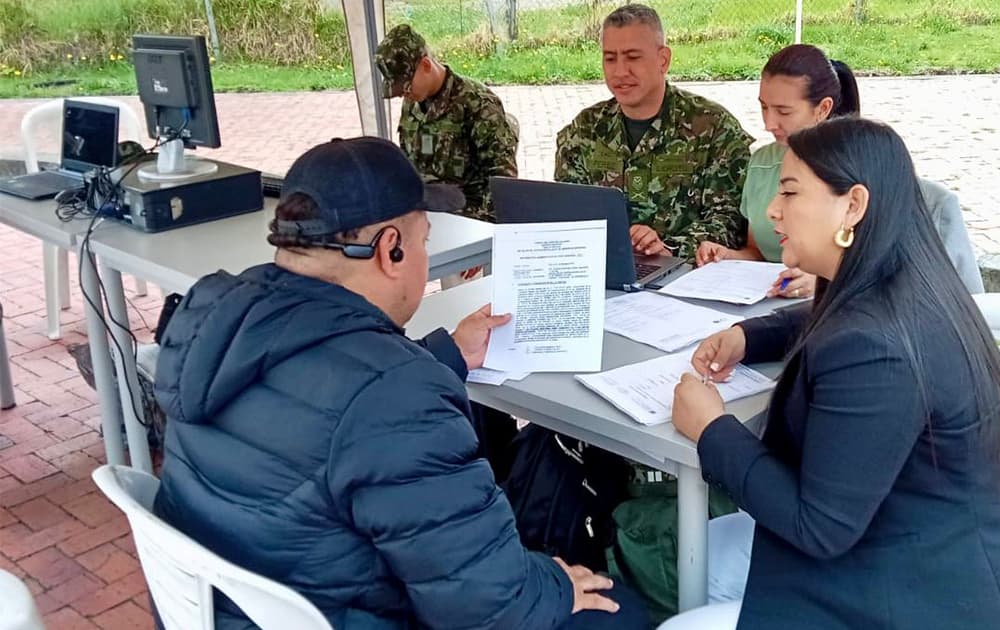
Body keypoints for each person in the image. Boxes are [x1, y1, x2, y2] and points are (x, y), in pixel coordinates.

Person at [151, 137, 646, 629]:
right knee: (621, 613)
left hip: (217, 608)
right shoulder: (398, 397)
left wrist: (447, 357)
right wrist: (555, 584)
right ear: (391, 249)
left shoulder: (215, 317)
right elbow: (488, 606)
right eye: (424, 241)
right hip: (348, 613)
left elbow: (325, 400)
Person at [662, 118, 1000, 629]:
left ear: (853, 205)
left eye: (790, 192)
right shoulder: (908, 283)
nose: (772, 209)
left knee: (684, 575)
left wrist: (711, 428)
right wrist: (749, 336)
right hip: (948, 551)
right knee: (702, 548)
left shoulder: (875, 347)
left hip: (927, 599)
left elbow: (818, 526)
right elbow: (825, 317)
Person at [694, 45, 985, 297]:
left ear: (823, 109)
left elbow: (900, 278)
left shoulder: (868, 173)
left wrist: (825, 279)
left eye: (783, 111)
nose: (769, 123)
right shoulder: (761, 163)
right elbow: (758, 250)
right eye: (763, 107)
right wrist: (730, 257)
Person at [555, 4, 752, 260]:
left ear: (663, 60)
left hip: (686, 272)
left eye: (633, 57)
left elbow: (730, 221)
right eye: (610, 58)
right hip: (604, 269)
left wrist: (670, 248)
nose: (620, 71)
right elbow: (568, 215)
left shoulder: (714, 128)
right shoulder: (584, 130)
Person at [376, 23, 518, 288]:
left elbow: (502, 177)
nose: (404, 94)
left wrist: (482, 240)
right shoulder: (413, 104)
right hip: (425, 216)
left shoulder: (477, 103)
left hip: (468, 220)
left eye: (406, 86)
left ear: (426, 64)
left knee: (463, 297)